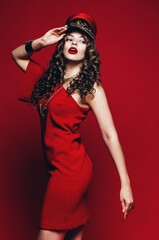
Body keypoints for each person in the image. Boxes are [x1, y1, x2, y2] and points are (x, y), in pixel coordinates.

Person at [11, 13, 135, 240]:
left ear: (89, 50)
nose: (75, 43)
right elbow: (16, 55)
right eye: (70, 38)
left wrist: (125, 183)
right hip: (55, 169)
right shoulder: (48, 79)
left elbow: (109, 134)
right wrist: (41, 42)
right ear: (62, 43)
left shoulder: (91, 88)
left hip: (70, 172)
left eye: (82, 40)